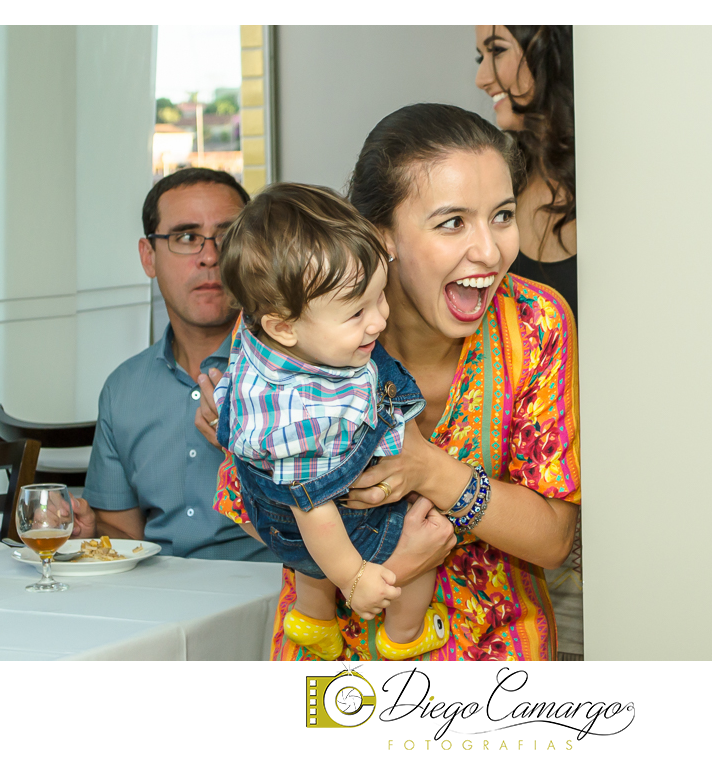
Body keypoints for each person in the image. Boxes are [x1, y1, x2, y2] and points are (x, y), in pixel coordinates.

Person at [198, 103, 582, 660]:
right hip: (332, 666)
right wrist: (394, 558)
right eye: (453, 222)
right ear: (383, 237)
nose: (491, 250)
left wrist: (432, 471)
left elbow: (553, 541)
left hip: (496, 670)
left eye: (502, 215)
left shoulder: (535, 322)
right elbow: (250, 506)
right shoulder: (287, 325)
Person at [214, 182, 450, 660]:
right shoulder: (308, 413)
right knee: (420, 526)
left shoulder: (268, 337)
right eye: (357, 312)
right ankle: (402, 637)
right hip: (319, 521)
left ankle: (313, 617)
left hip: (275, 511)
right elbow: (313, 509)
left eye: (380, 297)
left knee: (304, 551)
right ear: (283, 325)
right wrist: (355, 577)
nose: (379, 320)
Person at [71, 168, 275, 562]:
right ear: (148, 257)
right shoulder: (124, 388)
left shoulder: (303, 372)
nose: (211, 256)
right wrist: (93, 532)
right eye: (186, 237)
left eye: (228, 235)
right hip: (160, 605)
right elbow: (122, 533)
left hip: (278, 602)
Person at [476, 25, 584, 657]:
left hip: (623, 488)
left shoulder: (632, 182)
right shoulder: (494, 191)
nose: (482, 77)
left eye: (496, 52)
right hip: (513, 498)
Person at [474, 25, 577, 321]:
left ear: (552, 49)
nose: (481, 79)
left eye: (497, 50)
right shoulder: (503, 178)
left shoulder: (619, 177)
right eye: (480, 57)